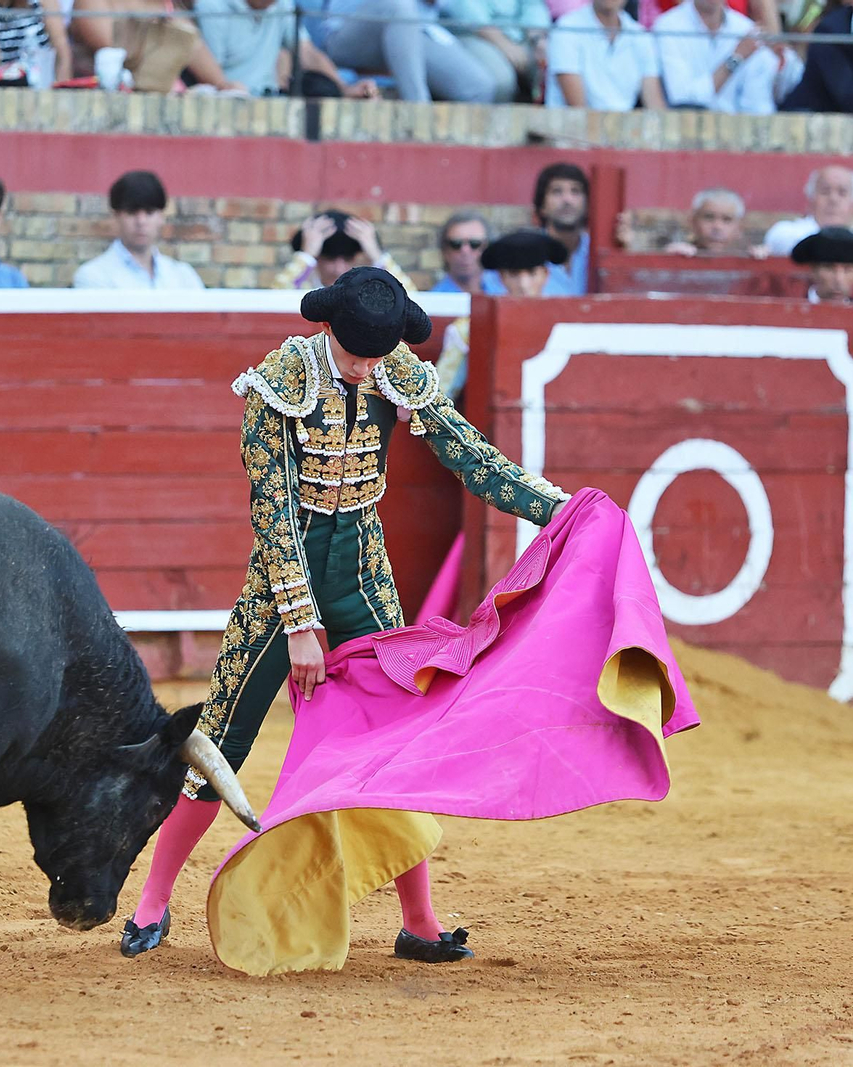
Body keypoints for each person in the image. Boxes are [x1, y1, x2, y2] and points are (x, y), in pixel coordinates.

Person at [118, 266, 573, 961]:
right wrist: (301, 625)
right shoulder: (280, 380)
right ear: (327, 327)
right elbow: (273, 512)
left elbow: (471, 457)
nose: (366, 369)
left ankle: (418, 922)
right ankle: (152, 902)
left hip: (363, 569)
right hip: (283, 578)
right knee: (221, 737)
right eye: (355, 354)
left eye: (377, 355)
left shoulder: (396, 368)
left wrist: (560, 510)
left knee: (392, 745)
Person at [436, 228, 566, 400]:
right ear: (502, 277)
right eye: (514, 274)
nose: (523, 284)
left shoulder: (566, 324)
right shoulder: (467, 330)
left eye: (532, 273)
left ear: (545, 275)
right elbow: (441, 395)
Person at [312, 0, 496, 103]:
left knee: (478, 87)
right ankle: (418, 113)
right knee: (399, 5)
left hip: (417, 30)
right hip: (349, 32)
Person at [193, 0, 380, 97]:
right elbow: (210, 72)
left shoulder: (282, 4)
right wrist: (228, 90)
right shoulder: (212, 5)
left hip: (269, 102)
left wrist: (344, 89)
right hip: (226, 104)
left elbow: (307, 53)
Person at [72, 171, 206, 289]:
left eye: (149, 212)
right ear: (116, 216)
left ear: (161, 217)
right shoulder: (94, 275)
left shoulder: (183, 276)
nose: (141, 222)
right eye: (131, 212)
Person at [654, 0, 786, 113]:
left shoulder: (746, 30)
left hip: (738, 131)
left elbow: (758, 108)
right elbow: (684, 101)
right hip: (685, 129)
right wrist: (735, 59)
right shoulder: (667, 26)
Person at [546, 0, 665, 110]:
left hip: (623, 123)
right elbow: (578, 108)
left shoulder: (640, 36)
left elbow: (654, 102)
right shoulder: (566, 28)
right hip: (573, 124)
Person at [274, 210, 416, 290]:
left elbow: (412, 303)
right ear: (315, 258)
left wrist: (377, 256)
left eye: (348, 259)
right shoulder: (302, 283)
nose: (338, 270)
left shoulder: (369, 288)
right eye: (329, 258)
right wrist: (307, 255)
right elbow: (276, 298)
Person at [533, 162, 591, 296]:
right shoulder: (525, 255)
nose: (567, 199)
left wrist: (620, 254)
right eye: (557, 191)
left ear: (588, 205)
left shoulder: (599, 252)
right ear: (542, 206)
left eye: (575, 191)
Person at [792, 226, 853, 304]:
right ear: (813, 271)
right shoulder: (793, 308)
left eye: (848, 270)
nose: (839, 279)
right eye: (829, 268)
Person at [664, 187, 759, 256]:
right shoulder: (680, 254)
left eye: (727, 219)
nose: (717, 227)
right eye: (709, 217)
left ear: (740, 226)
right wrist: (670, 261)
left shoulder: (750, 259)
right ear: (693, 222)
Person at [432, 212, 507, 295]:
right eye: (456, 244)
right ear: (445, 251)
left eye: (475, 243)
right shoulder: (436, 299)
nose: (465, 251)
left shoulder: (507, 286)